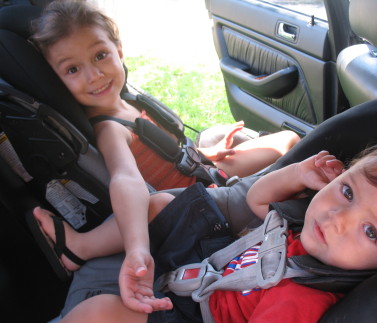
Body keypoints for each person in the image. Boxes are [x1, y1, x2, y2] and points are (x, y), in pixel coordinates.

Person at [4, 138, 377, 323]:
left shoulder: (303, 299)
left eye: (370, 231)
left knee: (98, 316)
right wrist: (297, 173)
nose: (338, 218)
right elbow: (257, 201)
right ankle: (78, 251)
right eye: (348, 191)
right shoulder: (308, 230)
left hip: (201, 322)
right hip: (211, 267)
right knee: (159, 204)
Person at [28, 0, 300, 284]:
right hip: (195, 203)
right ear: (58, 82)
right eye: (73, 70)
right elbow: (126, 178)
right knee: (154, 206)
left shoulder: (127, 103)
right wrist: (136, 247)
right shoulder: (110, 129)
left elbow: (167, 154)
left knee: (288, 140)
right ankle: (80, 247)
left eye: (100, 55)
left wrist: (206, 154)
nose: (94, 75)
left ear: (118, 51)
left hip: (204, 173)